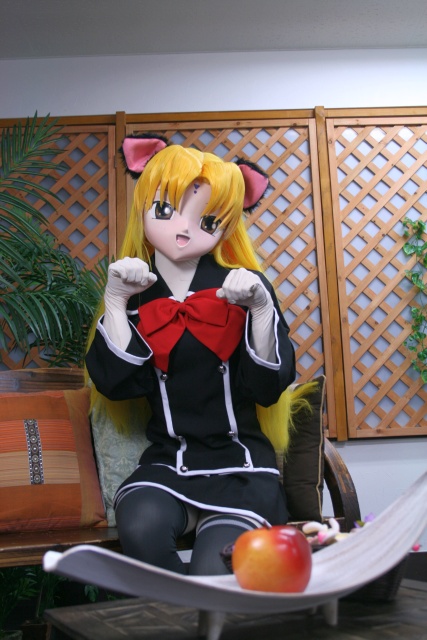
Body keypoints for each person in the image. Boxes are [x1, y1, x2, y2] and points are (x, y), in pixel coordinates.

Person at [86, 134, 296, 575]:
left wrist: (260, 310)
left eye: (208, 220)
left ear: (228, 225)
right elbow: (117, 386)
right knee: (139, 526)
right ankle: (172, 610)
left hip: (240, 464)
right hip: (168, 462)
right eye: (166, 210)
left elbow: (267, 388)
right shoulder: (135, 292)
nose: (183, 229)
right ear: (142, 205)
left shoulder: (245, 286)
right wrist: (115, 301)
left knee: (214, 564)